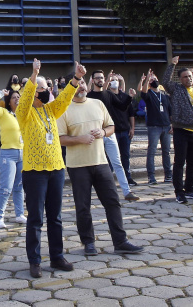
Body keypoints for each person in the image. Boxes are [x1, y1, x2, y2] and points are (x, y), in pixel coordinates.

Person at [57, 78, 143, 256]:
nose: (81, 86)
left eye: (82, 83)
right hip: (78, 165)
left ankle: (120, 241)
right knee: (83, 207)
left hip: (101, 162)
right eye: (77, 84)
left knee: (113, 202)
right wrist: (79, 139)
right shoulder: (64, 109)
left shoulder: (97, 104)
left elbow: (111, 126)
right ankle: (88, 242)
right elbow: (60, 138)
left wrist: (103, 132)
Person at [16, 58, 84, 278]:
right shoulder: (24, 113)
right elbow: (25, 98)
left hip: (56, 169)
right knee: (36, 218)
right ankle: (34, 261)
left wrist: (76, 78)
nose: (46, 92)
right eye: (41, 89)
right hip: (34, 171)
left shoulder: (50, 111)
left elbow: (64, 99)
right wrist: (34, 76)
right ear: (34, 91)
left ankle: (56, 256)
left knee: (55, 217)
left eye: (47, 88)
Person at [161, 56, 193, 204]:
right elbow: (166, 82)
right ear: (180, 79)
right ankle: (179, 191)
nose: (188, 79)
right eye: (185, 77)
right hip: (181, 130)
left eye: (190, 76)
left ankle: (190, 189)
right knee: (180, 162)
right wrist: (172, 65)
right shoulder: (176, 89)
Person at [0, 87, 27, 228]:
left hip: (22, 153)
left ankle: (20, 214)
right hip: (8, 153)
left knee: (19, 187)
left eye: (18, 97)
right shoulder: (3, 113)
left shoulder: (23, 114)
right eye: (14, 97)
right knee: (6, 187)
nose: (17, 99)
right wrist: (1, 93)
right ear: (9, 102)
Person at [87, 71, 135, 184]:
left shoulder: (109, 94)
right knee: (100, 160)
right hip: (95, 132)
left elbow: (122, 106)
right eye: (97, 78)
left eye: (102, 78)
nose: (100, 80)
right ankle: (102, 182)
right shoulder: (89, 96)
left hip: (109, 132)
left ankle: (126, 188)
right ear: (93, 80)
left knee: (117, 161)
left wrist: (130, 97)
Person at [138, 71, 172, 185]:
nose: (154, 81)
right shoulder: (148, 94)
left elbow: (170, 111)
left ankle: (168, 175)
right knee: (152, 151)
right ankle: (151, 176)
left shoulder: (165, 95)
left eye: (155, 78)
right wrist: (147, 79)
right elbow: (142, 92)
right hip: (154, 126)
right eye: (151, 80)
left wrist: (172, 124)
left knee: (166, 151)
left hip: (166, 126)